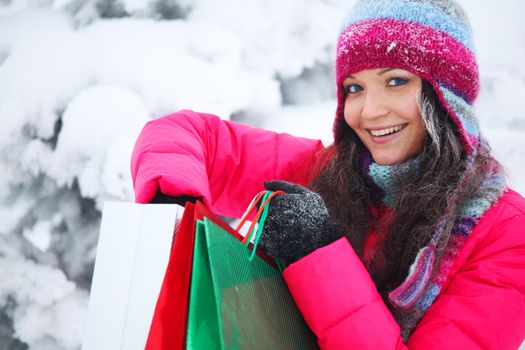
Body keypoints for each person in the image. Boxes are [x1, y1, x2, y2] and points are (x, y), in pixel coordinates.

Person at [131, 0, 525, 348]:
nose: (370, 111)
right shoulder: (320, 172)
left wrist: (319, 254)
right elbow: (185, 134)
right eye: (354, 88)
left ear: (448, 95)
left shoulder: (506, 234)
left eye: (395, 81)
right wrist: (174, 197)